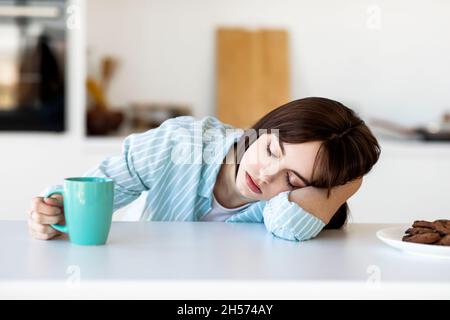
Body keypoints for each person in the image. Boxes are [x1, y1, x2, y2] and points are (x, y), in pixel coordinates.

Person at [27, 97, 380, 241]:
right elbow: (84, 193)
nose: (267, 173)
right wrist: (50, 213)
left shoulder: (290, 205)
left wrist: (347, 183)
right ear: (264, 128)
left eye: (292, 179)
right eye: (271, 149)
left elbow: (290, 227)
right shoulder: (179, 143)